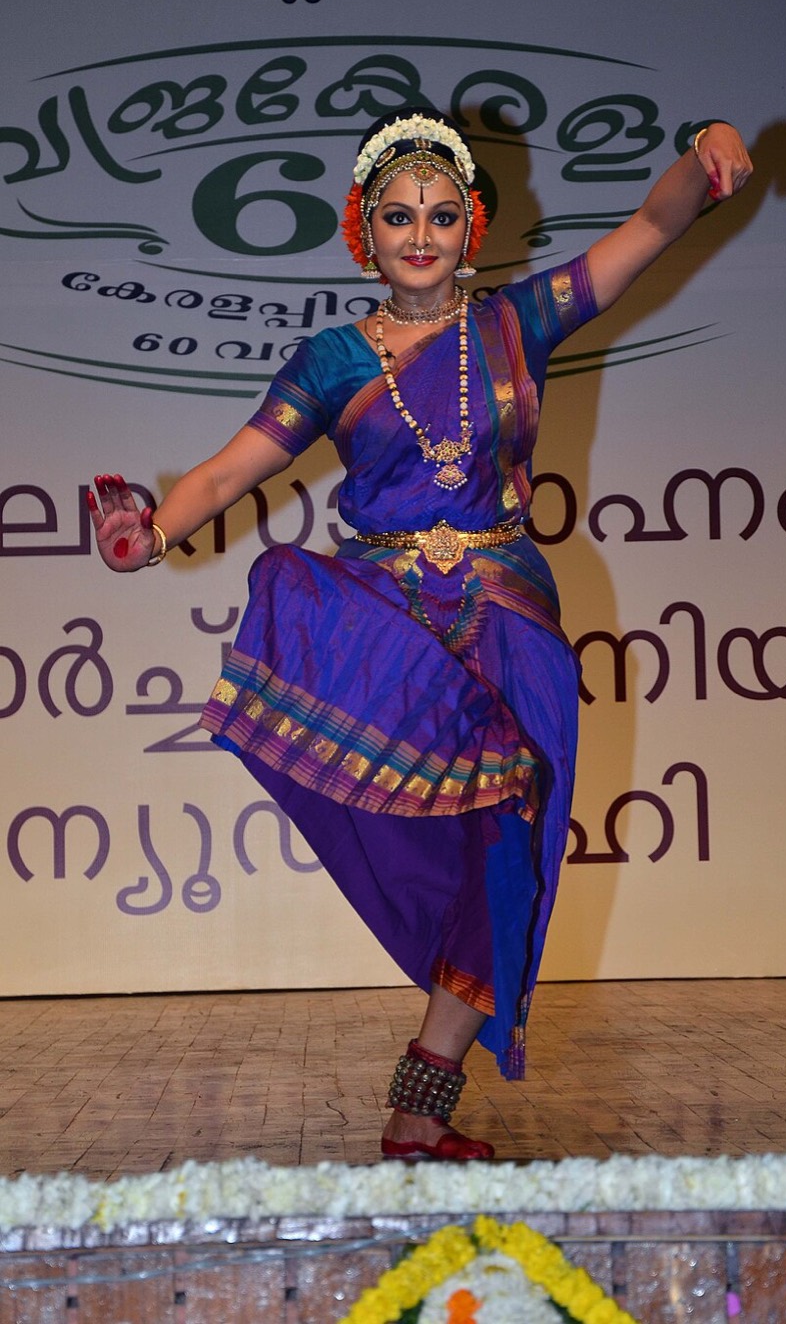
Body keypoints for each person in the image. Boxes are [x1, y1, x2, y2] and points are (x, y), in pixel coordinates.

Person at [89, 108, 752, 1161]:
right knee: (446, 828)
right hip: (391, 620)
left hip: (507, 611)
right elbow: (225, 473)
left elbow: (650, 227)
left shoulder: (518, 323)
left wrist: (701, 149)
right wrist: (153, 533)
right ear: (363, 229)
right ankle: (418, 1103)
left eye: (442, 215)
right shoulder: (332, 360)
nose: (420, 234)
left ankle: (419, 1108)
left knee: (508, 844)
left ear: (470, 228)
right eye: (397, 215)